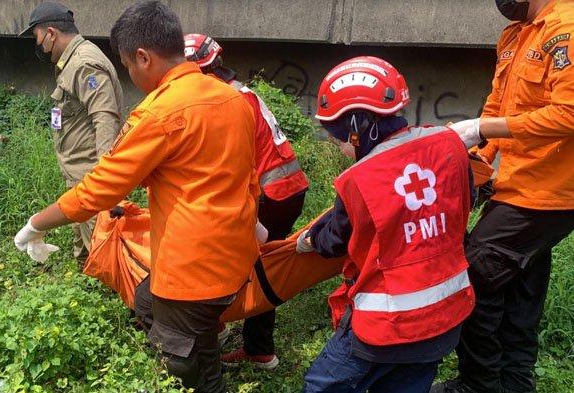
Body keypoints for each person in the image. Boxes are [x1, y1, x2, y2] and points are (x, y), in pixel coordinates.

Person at [14, 1, 259, 392]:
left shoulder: (159, 114)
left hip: (193, 270)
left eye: (128, 66)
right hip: (233, 253)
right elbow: (249, 176)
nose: (129, 74)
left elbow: (98, 190)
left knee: (185, 364)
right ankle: (205, 348)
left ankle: (205, 374)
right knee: (147, 302)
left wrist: (34, 225)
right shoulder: (233, 99)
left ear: (143, 57)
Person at [297, 56, 477, 393]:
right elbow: (467, 198)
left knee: (322, 385)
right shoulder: (449, 145)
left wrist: (310, 239)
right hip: (445, 315)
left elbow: (335, 241)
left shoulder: (360, 178)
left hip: (388, 324)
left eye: (337, 137)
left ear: (355, 128)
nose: (338, 147)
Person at [432, 0, 574, 392]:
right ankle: (514, 383)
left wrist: (483, 127)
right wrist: (478, 154)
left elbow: (570, 112)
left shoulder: (566, 28)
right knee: (519, 287)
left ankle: (478, 384)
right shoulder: (514, 34)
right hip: (518, 184)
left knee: (474, 276)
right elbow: (498, 103)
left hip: (549, 193)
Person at [183, 33, 310, 370]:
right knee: (258, 264)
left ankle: (230, 335)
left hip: (272, 195)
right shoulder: (239, 92)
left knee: (239, 263)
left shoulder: (224, 102)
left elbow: (228, 165)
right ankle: (253, 345)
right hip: (288, 190)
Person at [19, 1, 123, 263]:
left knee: (105, 249)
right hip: (79, 173)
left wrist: (104, 174)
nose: (38, 45)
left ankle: (116, 293)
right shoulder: (72, 61)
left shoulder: (85, 64)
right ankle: (86, 270)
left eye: (38, 37)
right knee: (86, 241)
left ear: (51, 33)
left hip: (90, 173)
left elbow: (105, 116)